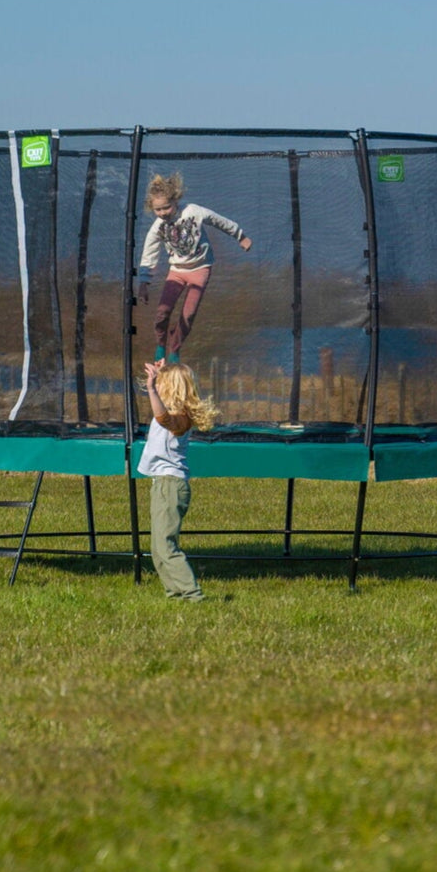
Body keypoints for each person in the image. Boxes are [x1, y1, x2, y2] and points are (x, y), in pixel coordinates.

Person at [137, 172, 252, 362]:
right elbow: (149, 253)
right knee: (162, 312)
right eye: (158, 210)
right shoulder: (158, 226)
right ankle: (160, 344)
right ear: (152, 209)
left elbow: (218, 220)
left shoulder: (193, 211)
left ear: (175, 201)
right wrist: (144, 282)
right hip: (177, 272)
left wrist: (240, 235)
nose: (163, 212)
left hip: (200, 270)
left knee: (188, 315)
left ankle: (174, 349)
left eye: (166, 207)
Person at [140, 360, 218, 601]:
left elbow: (164, 419)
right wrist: (161, 369)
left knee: (166, 545)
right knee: (157, 548)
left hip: (171, 486)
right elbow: (161, 413)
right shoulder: (170, 412)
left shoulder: (181, 418)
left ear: (171, 388)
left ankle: (193, 594)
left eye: (161, 384)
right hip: (161, 484)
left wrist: (152, 389)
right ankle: (174, 593)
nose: (155, 387)